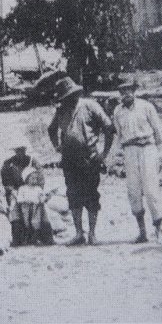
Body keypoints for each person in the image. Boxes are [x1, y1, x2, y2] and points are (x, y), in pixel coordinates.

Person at [47, 77, 114, 246]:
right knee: (73, 195)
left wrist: (104, 153)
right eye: (65, 97)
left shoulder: (90, 106)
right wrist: (57, 146)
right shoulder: (61, 110)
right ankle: (79, 233)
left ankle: (92, 234)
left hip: (89, 158)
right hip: (69, 159)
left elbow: (108, 127)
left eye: (71, 95)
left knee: (91, 195)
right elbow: (51, 129)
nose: (69, 99)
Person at [113, 80, 162, 243]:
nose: (126, 94)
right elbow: (119, 136)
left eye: (128, 90)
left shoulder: (146, 106)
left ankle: (158, 228)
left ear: (134, 91)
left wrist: (159, 154)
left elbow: (158, 131)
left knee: (150, 191)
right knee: (133, 191)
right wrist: (117, 157)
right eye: (122, 91)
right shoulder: (118, 111)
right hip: (130, 150)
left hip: (147, 148)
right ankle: (142, 232)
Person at [9, 166, 54, 246]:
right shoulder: (22, 188)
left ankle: (35, 238)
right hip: (24, 209)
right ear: (27, 179)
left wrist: (46, 198)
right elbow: (19, 199)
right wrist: (25, 200)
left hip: (35, 209)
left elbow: (41, 198)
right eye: (32, 178)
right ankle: (22, 239)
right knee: (23, 222)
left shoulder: (38, 189)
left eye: (36, 178)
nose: (34, 180)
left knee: (36, 222)